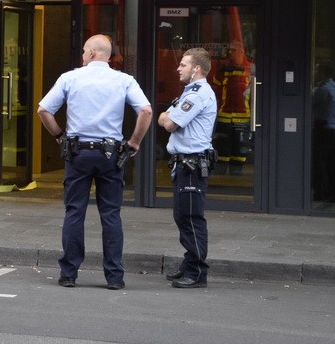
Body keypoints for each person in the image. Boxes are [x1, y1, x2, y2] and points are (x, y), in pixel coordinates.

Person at [37, 34, 152, 290]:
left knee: (74, 211)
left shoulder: (70, 78)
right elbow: (145, 110)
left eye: (83, 52)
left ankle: (69, 273)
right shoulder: (124, 80)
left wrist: (58, 135)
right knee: (111, 214)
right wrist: (134, 141)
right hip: (110, 154)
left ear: (90, 53)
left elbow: (44, 110)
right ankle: (114, 276)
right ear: (108, 55)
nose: (82, 56)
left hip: (78, 153)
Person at [158, 47, 218, 289]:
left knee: (191, 218)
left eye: (183, 64)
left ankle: (196, 272)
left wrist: (163, 115)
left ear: (196, 69)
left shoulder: (197, 94)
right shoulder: (191, 92)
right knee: (183, 216)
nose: (178, 68)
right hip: (185, 163)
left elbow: (170, 123)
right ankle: (189, 264)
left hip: (192, 164)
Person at [211, 41, 252, 173]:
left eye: (233, 50)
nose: (230, 53)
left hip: (243, 117)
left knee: (239, 150)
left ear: (241, 51)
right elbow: (215, 88)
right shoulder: (223, 69)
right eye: (229, 50)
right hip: (224, 115)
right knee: (222, 147)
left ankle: (236, 174)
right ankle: (221, 175)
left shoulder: (249, 69)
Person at [311, 62, 335, 201]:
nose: (315, 73)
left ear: (324, 73)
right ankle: (329, 191)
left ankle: (321, 192)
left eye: (317, 70)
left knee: (319, 162)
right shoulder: (332, 87)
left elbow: (309, 103)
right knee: (329, 162)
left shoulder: (323, 89)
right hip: (331, 130)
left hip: (323, 129)